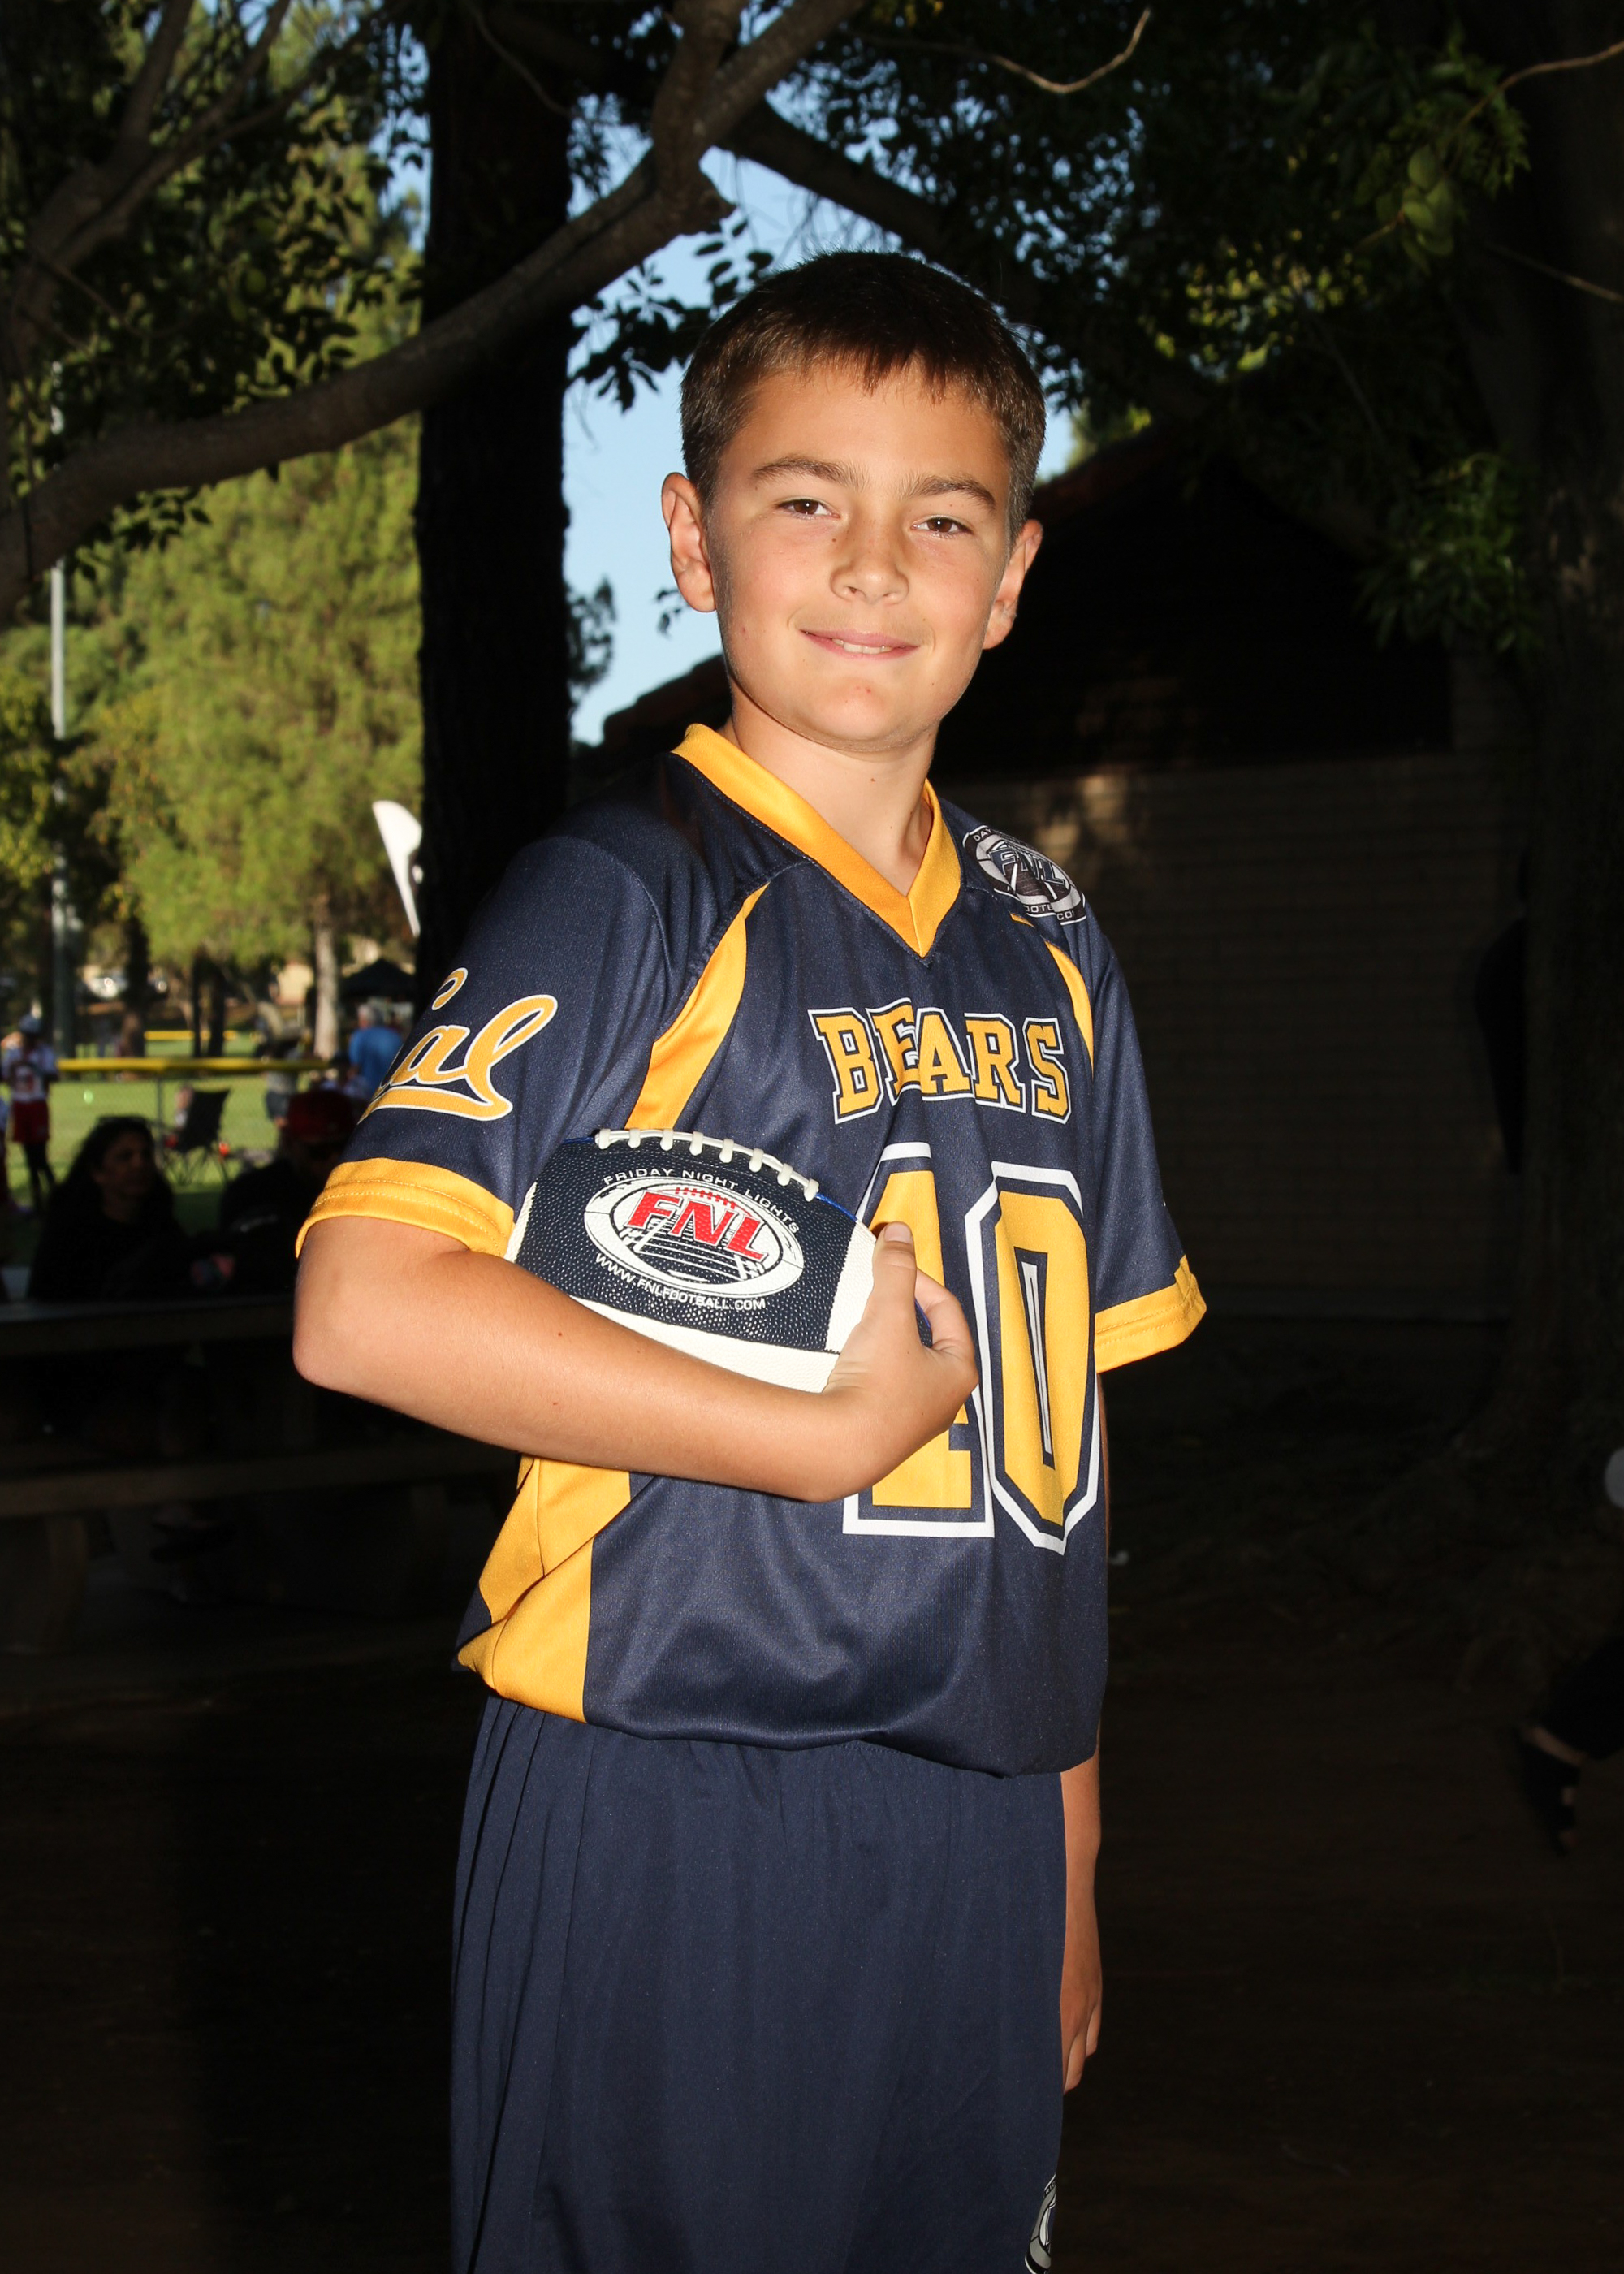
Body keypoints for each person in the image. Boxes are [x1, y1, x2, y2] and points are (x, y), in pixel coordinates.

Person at [295, 253, 1204, 2274]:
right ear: (694, 539)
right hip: (672, 1787)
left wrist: (1065, 1846)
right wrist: (811, 1434)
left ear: (1010, 576)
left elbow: (1059, 1455)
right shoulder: (624, 887)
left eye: (940, 518)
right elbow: (362, 1301)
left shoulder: (1054, 945)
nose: (872, 564)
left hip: (978, 1811)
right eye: (806, 499)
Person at [29, 1116, 192, 1303]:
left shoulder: (162, 1229)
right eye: (125, 1157)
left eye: (146, 1155)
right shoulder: (70, 1236)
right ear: (97, 1172)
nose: (139, 1164)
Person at [215, 1087, 357, 1292]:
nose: (334, 1160)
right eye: (319, 1152)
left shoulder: (367, 1193)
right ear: (289, 1145)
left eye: (343, 1147)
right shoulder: (252, 1194)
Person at [3, 1013, 58, 1213]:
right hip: (20, 1106)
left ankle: (57, 1197)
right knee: (30, 1160)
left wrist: (35, 1068)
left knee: (40, 1158)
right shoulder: (13, 1055)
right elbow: (5, 1076)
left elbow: (54, 1076)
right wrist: (14, 1069)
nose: (29, 1040)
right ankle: (38, 1203)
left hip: (37, 1106)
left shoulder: (45, 1054)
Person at [345, 1001, 400, 1100]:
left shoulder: (359, 1036)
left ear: (364, 1021)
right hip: (391, 1092)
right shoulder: (395, 1036)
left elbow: (355, 1068)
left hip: (367, 1094)